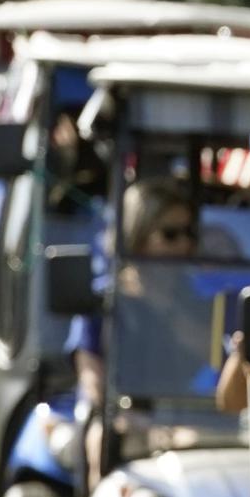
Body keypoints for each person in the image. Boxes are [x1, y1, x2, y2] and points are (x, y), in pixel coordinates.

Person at [71, 179, 201, 479]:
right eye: (170, 235)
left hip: (189, 415)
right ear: (138, 235)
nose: (184, 245)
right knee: (100, 440)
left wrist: (166, 306)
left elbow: (211, 353)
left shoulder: (191, 298)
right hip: (122, 419)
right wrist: (137, 423)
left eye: (189, 234)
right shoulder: (104, 301)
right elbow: (92, 378)